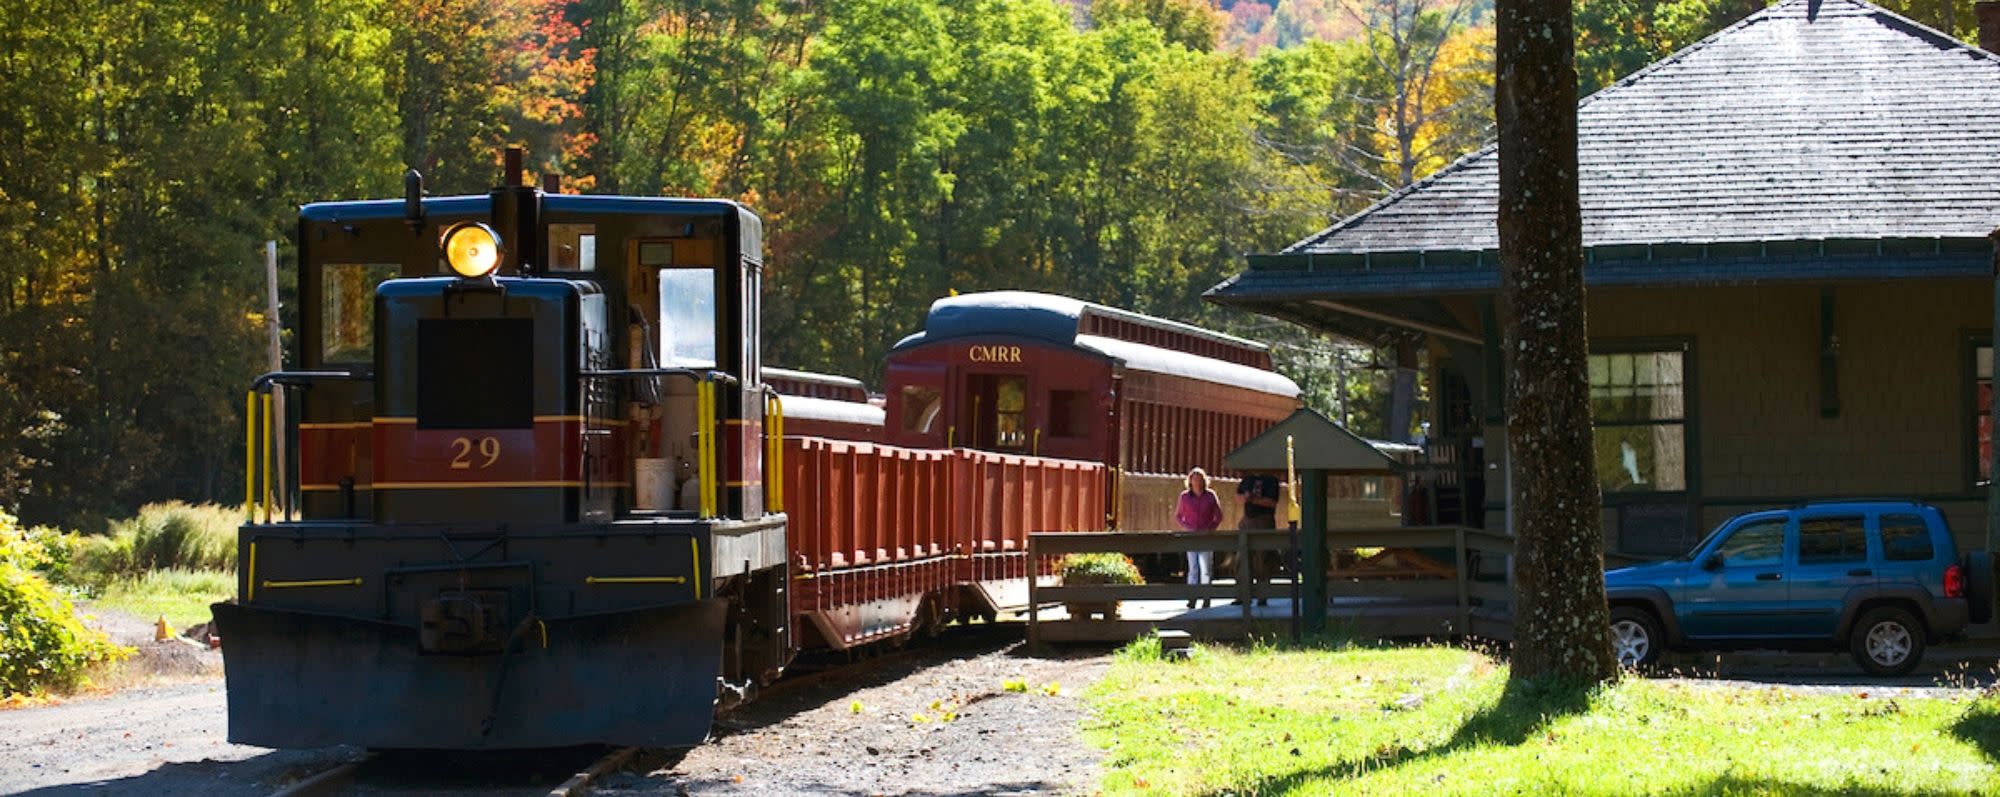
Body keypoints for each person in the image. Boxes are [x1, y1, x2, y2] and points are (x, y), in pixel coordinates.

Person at [1175, 467, 1223, 609]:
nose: (1196, 481)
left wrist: (1211, 528)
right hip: (1191, 536)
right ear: (1190, 481)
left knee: (1206, 568)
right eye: (1194, 479)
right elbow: (1178, 516)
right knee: (1193, 568)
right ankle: (1192, 597)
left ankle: (1206, 598)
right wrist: (1186, 526)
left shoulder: (1210, 495)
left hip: (1206, 536)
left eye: (1199, 479)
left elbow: (1218, 516)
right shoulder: (1184, 496)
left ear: (1203, 480)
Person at [1237, 470, 1282, 606]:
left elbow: (1272, 502)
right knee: (1243, 558)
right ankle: (1243, 595)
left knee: (1263, 558)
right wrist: (1246, 498)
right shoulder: (1247, 479)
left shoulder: (1271, 481)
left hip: (1264, 521)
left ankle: (1262, 595)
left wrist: (1254, 499)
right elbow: (1238, 497)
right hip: (1247, 520)